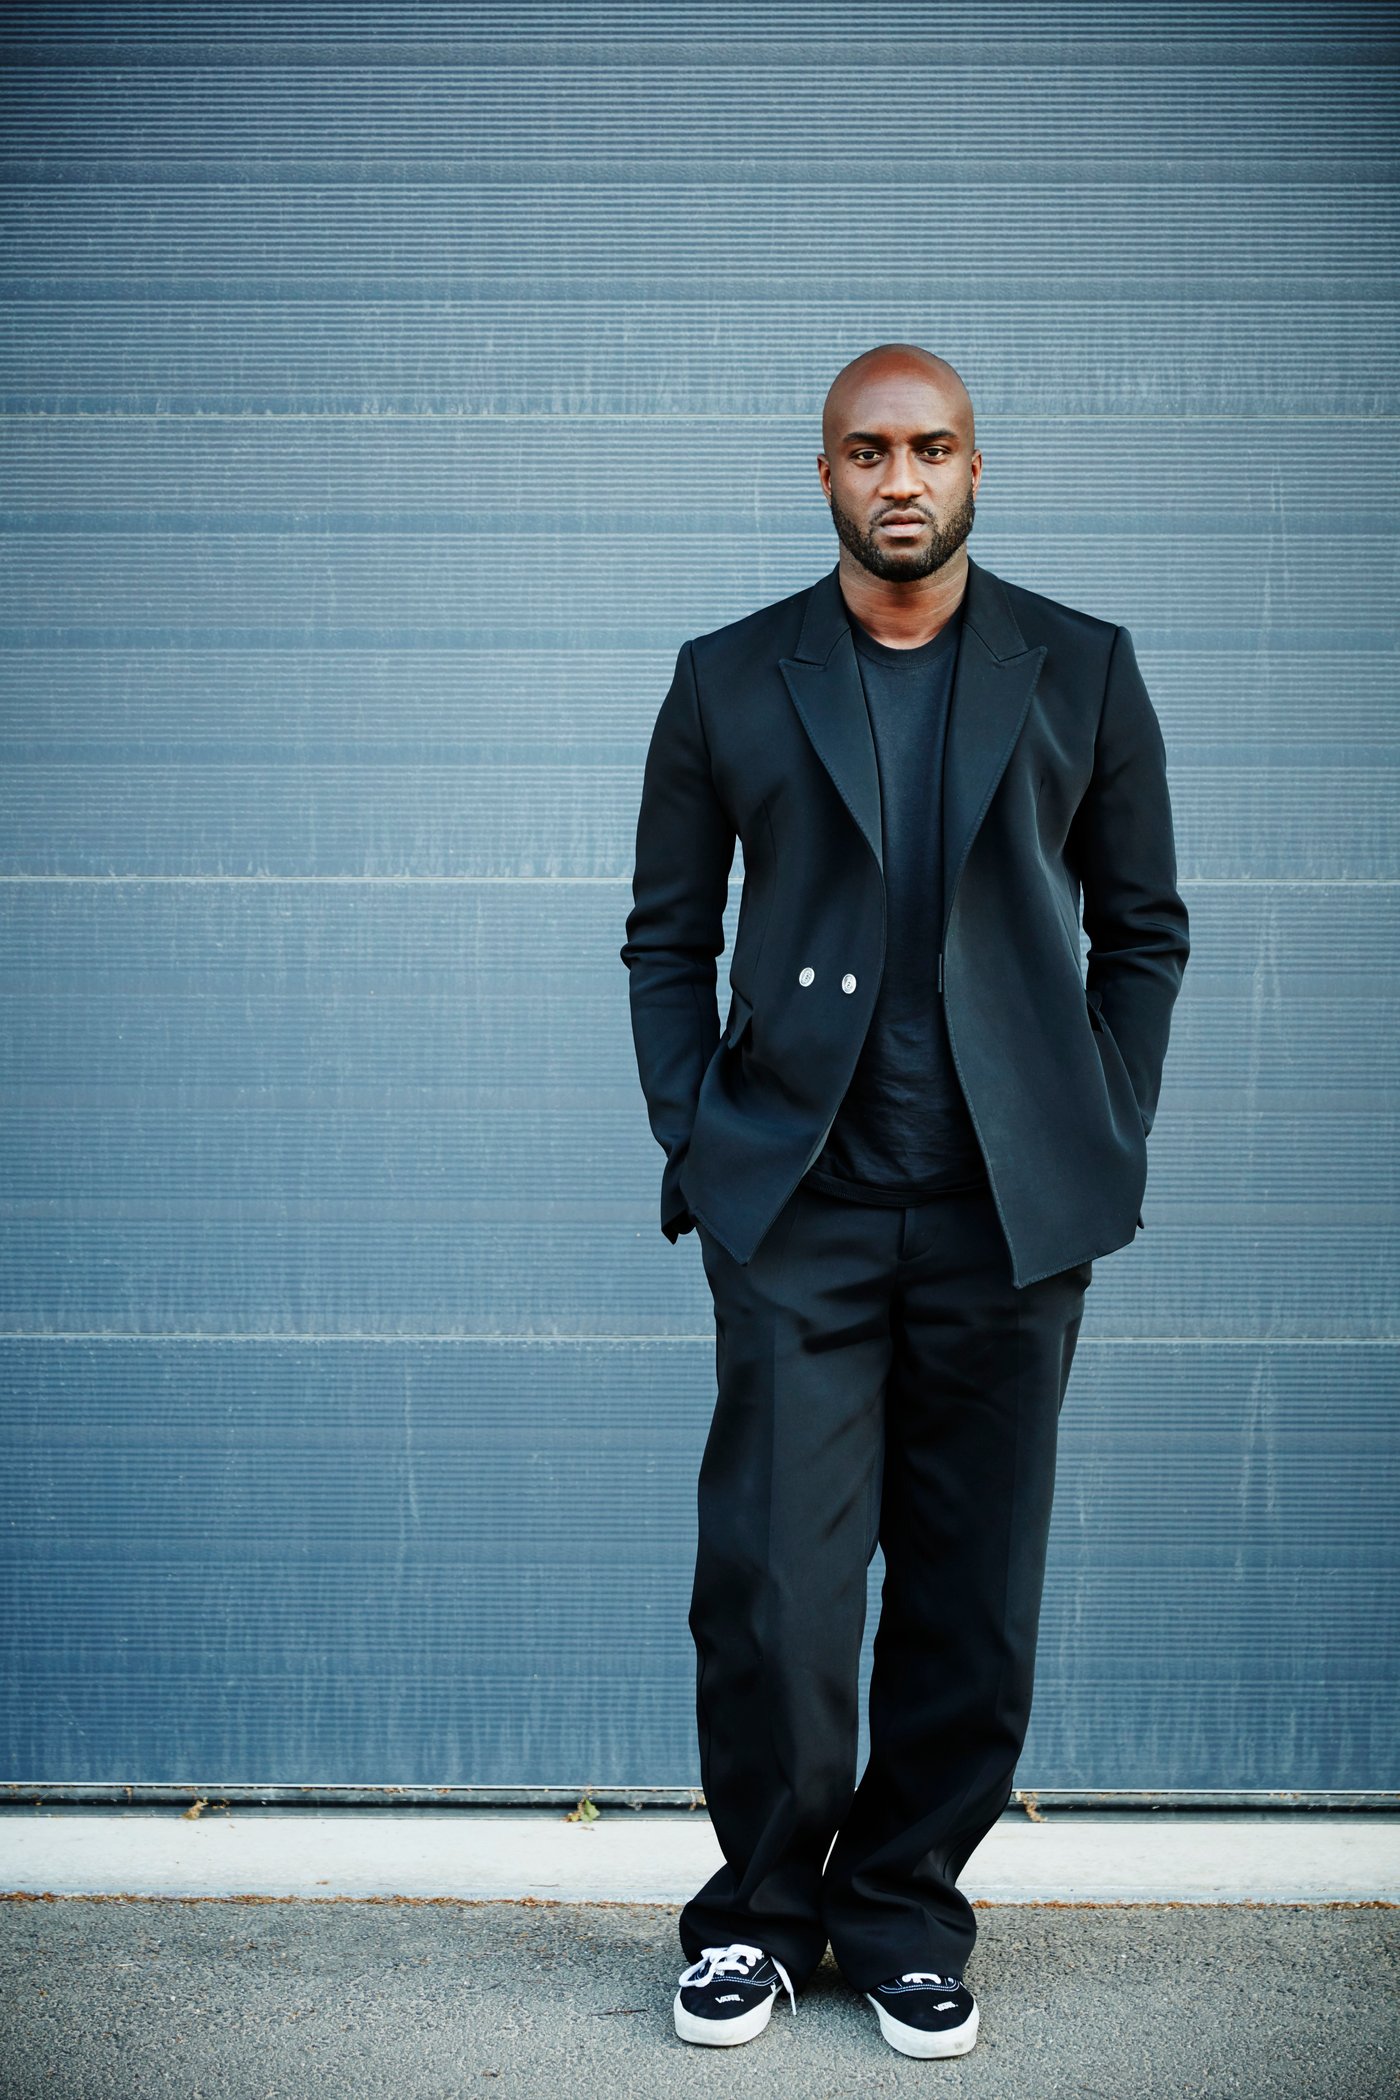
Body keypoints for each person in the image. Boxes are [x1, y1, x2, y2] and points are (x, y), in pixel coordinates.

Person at [619, 344, 1189, 2059]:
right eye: (868, 451)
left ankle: (907, 1911)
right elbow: (665, 936)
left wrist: (1104, 1125)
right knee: (774, 1590)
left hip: (1010, 1218)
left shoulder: (1081, 669)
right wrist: (703, 1144)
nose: (900, 479)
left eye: (931, 447)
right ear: (825, 475)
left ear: (976, 467)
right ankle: (759, 1916)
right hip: (796, 1209)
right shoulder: (728, 679)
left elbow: (1143, 931)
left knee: (970, 1588)